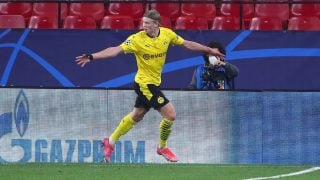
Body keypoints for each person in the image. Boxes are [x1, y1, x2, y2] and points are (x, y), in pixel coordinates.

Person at [75, 9, 224, 163]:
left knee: (137, 115)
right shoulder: (136, 39)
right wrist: (93, 56)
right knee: (170, 114)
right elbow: (115, 50)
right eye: (143, 22)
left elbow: (187, 44)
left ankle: (110, 142)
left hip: (154, 83)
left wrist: (209, 50)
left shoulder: (167, 34)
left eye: (147, 23)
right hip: (144, 84)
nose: (143, 25)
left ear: (156, 24)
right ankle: (162, 146)